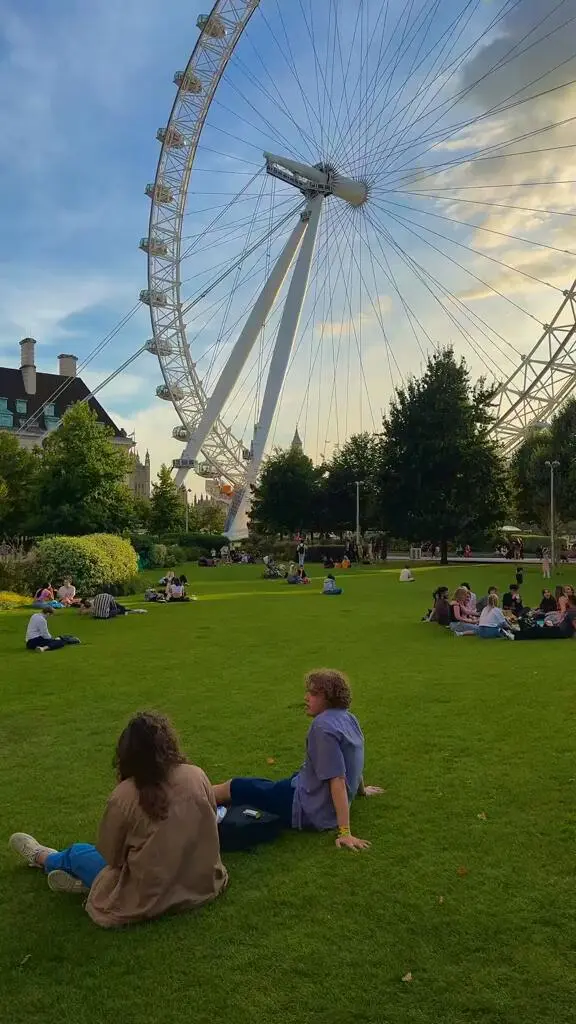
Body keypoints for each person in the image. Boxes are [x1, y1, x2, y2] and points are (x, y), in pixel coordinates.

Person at [9, 712, 227, 926]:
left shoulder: (125, 795)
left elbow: (111, 856)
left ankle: (42, 857)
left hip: (151, 895)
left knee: (79, 854)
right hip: (201, 883)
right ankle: (80, 881)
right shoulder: (197, 775)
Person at [212, 669, 383, 849]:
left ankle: (190, 797)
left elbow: (337, 778)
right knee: (260, 788)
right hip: (309, 793)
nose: (306, 697)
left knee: (235, 786)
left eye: (314, 694)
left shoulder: (322, 727)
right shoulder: (348, 718)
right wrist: (361, 790)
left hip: (306, 807)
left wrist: (345, 832)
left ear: (329, 698)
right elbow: (353, 759)